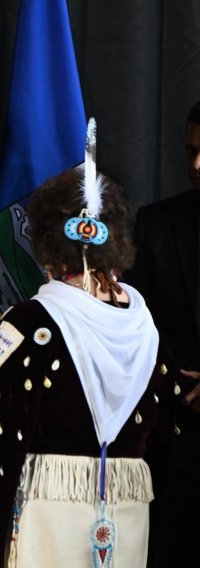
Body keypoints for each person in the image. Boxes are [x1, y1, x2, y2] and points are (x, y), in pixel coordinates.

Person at [0, 150, 187, 567]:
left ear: (45, 242)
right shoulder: (145, 328)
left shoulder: (33, 325)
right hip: (126, 519)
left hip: (46, 517)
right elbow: (168, 431)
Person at [127, 101, 200, 566]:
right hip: (178, 427)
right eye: (191, 151)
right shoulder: (156, 223)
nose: (196, 165)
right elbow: (135, 324)